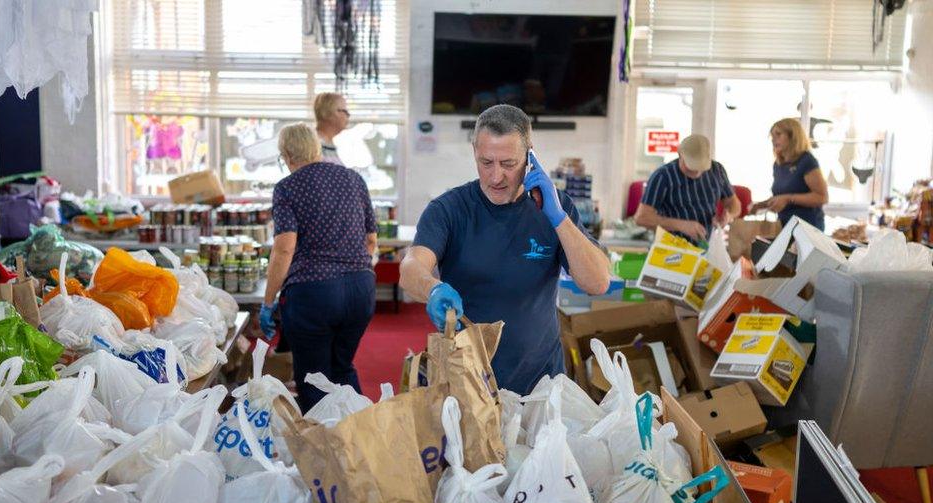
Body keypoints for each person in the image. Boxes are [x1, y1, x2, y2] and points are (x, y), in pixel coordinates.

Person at [399, 104, 610, 395]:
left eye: (508, 164)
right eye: (486, 162)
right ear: (474, 151)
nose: (496, 176)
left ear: (529, 156)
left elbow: (597, 282)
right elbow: (411, 268)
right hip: (467, 382)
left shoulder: (555, 207)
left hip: (540, 382)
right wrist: (432, 288)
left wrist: (559, 219)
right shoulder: (448, 209)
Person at [260, 122, 378, 413]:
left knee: (313, 377)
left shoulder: (287, 188)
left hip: (314, 293)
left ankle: (322, 451)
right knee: (343, 368)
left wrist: (267, 300)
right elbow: (371, 239)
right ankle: (361, 440)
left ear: (287, 155)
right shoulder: (353, 179)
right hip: (361, 290)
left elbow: (285, 248)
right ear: (315, 148)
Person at [634, 134, 741, 244]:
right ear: (680, 155)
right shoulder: (662, 176)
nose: (697, 173)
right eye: (691, 167)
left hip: (707, 245)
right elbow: (641, 218)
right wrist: (681, 225)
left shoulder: (717, 170)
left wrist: (728, 215)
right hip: (671, 249)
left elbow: (734, 204)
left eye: (701, 168)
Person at [755, 118, 828, 230]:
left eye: (778, 134)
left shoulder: (806, 161)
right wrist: (760, 205)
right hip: (785, 227)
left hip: (807, 229)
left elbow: (822, 197)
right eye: (772, 136)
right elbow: (782, 196)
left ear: (793, 136)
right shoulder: (778, 164)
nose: (773, 139)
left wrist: (788, 199)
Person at [314, 92, 350, 165]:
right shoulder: (314, 146)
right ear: (327, 112)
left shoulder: (328, 144)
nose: (348, 115)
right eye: (345, 111)